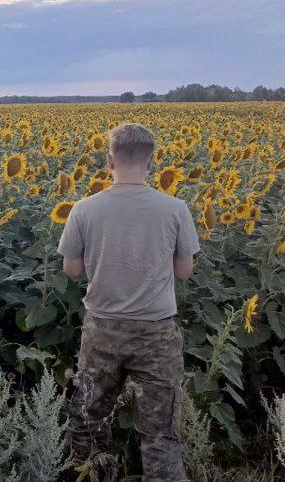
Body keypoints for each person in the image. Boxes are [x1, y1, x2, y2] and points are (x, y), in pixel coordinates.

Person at [58, 123, 200, 482]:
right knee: (160, 433)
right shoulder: (175, 208)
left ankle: (92, 474)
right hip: (156, 333)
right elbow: (184, 271)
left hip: (102, 328)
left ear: (110, 160)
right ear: (152, 161)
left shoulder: (84, 208)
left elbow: (72, 269)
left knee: (88, 420)